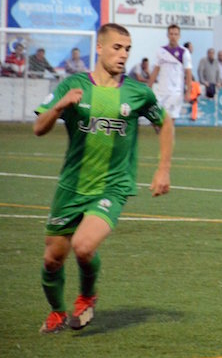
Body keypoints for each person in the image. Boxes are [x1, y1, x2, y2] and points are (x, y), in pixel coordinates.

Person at [33, 23, 174, 333]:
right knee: (53, 259)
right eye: (116, 48)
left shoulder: (136, 92)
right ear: (99, 48)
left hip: (113, 185)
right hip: (72, 186)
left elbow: (165, 123)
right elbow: (38, 128)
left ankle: (86, 296)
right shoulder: (73, 86)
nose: (123, 55)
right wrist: (59, 106)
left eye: (127, 49)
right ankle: (57, 312)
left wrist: (163, 168)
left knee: (83, 247)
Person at [149, 24, 193, 119]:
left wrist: (188, 91)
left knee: (170, 120)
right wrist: (149, 87)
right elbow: (155, 71)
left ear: (179, 36)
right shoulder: (161, 51)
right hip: (162, 91)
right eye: (171, 34)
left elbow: (188, 74)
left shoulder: (184, 52)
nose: (173, 36)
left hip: (176, 92)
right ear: (168, 35)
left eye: (176, 34)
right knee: (157, 120)